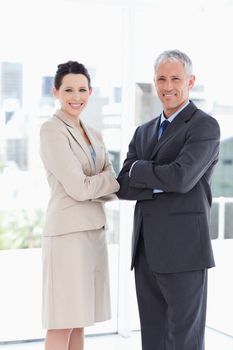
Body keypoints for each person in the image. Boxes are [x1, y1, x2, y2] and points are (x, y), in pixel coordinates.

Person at [117, 49, 220, 350]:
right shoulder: (144, 131)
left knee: (184, 339)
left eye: (176, 78)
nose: (168, 86)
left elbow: (182, 178)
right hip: (146, 249)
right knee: (153, 336)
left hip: (185, 251)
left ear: (191, 81)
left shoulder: (204, 126)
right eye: (161, 78)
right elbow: (122, 186)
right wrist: (159, 178)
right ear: (154, 82)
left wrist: (142, 171)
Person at [40, 60, 119, 350]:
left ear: (91, 92)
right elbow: (79, 187)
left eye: (82, 89)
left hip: (94, 233)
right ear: (56, 92)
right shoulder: (52, 130)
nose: (76, 97)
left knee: (81, 321)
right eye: (69, 90)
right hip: (67, 236)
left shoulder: (94, 133)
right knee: (63, 322)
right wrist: (105, 181)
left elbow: (108, 179)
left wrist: (101, 183)